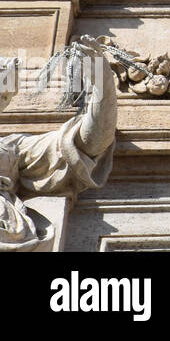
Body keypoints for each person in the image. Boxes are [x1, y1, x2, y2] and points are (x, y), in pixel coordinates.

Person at [0, 40, 116, 252]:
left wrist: (101, 82)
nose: (2, 100)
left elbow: (87, 143)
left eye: (5, 96)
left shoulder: (10, 149)